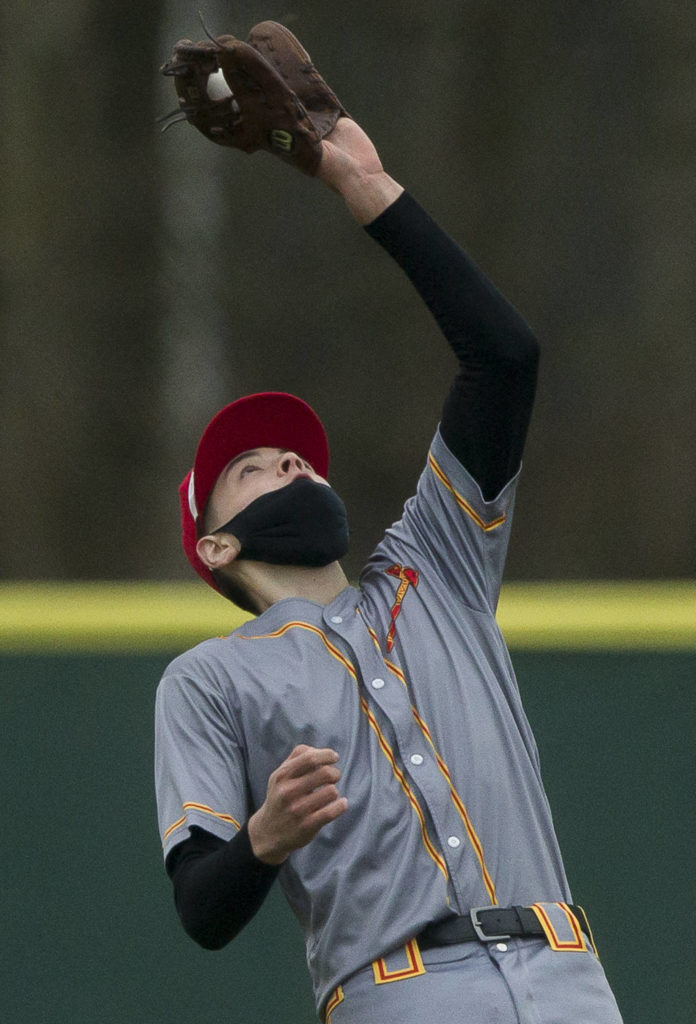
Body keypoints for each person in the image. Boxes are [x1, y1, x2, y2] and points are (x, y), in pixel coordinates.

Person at [155, 23, 624, 1024]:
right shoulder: (210, 678)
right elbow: (201, 902)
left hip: (569, 980)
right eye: (252, 467)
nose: (292, 459)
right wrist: (265, 836)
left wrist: (364, 185)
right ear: (217, 545)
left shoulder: (435, 568)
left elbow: (503, 358)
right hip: (399, 995)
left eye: (297, 453)